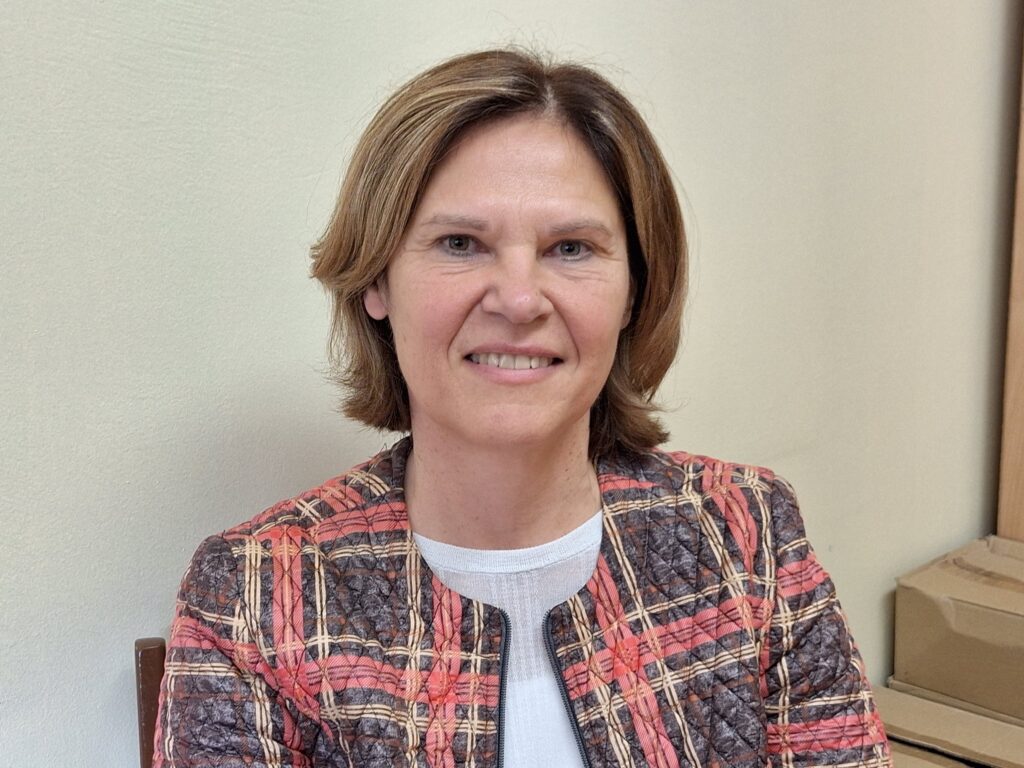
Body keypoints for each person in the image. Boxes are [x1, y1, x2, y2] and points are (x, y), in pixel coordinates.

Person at [153, 49, 891, 767]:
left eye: (570, 248)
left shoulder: (746, 530)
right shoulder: (254, 596)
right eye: (460, 243)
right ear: (376, 280)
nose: (518, 299)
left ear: (634, 290)